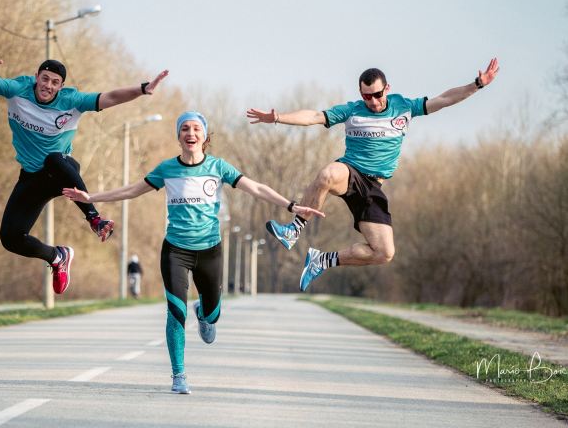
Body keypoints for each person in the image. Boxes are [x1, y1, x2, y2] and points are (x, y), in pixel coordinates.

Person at [63, 111, 325, 394]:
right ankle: (178, 375)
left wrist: (292, 206)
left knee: (213, 315)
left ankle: (204, 312)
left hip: (209, 250)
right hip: (175, 250)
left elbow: (257, 188)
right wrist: (92, 198)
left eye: (196, 129)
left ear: (204, 136)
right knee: (175, 312)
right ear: (179, 137)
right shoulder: (167, 169)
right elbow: (132, 190)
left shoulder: (218, 167)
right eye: (185, 129)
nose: (190, 133)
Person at [246, 58, 500, 292]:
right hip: (351, 172)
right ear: (361, 94)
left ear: (387, 88)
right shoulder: (353, 110)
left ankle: (321, 260)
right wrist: (277, 117)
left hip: (373, 187)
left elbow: (444, 99)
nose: (373, 101)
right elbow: (314, 116)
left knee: (383, 253)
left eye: (377, 95)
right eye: (367, 96)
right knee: (327, 174)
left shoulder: (404, 107)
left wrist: (477, 84)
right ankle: (295, 229)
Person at [0, 42, 168, 295]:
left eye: (54, 82)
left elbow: (111, 97)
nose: (48, 86)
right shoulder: (18, 89)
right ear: (36, 78)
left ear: (61, 86)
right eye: (44, 79)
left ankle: (94, 218)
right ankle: (57, 257)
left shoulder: (71, 100)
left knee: (53, 158)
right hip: (31, 178)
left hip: (61, 172)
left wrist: (143, 89)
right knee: (10, 238)